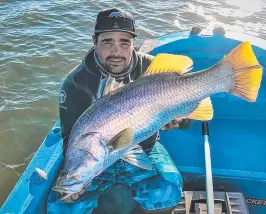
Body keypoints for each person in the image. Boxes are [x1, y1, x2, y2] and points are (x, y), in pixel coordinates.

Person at [48, 8, 190, 214]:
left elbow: (186, 118)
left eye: (124, 42)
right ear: (94, 42)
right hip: (95, 157)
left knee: (168, 189)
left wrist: (179, 119)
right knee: (61, 207)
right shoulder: (75, 83)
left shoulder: (152, 69)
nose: (116, 52)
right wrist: (81, 177)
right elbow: (71, 139)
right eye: (107, 42)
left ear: (133, 44)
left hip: (145, 147)